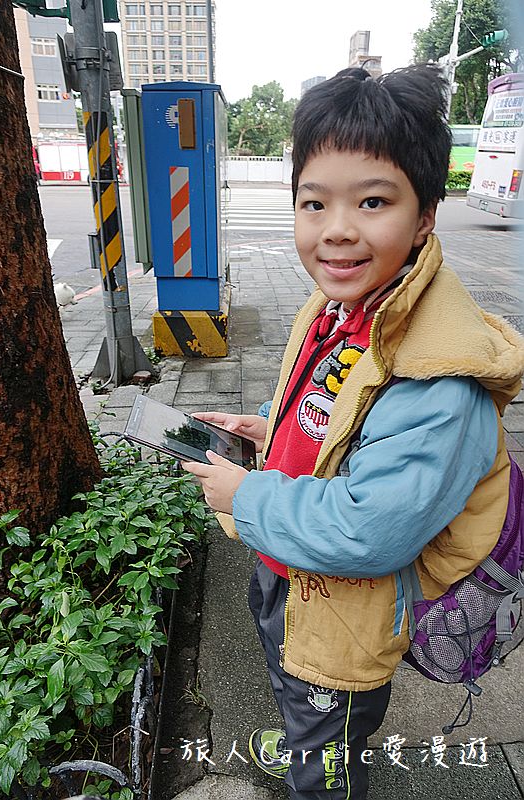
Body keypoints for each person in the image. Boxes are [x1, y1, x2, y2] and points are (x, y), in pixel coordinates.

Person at [182, 64, 524, 799]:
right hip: (294, 576)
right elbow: (333, 415)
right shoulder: (344, 304)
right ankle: (307, 734)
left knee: (329, 748)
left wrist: (244, 495)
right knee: (294, 686)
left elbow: (370, 533)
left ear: (426, 214)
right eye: (314, 202)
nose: (335, 229)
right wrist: (265, 433)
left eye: (372, 201)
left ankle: (321, 762)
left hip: (344, 614)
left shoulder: (438, 382)